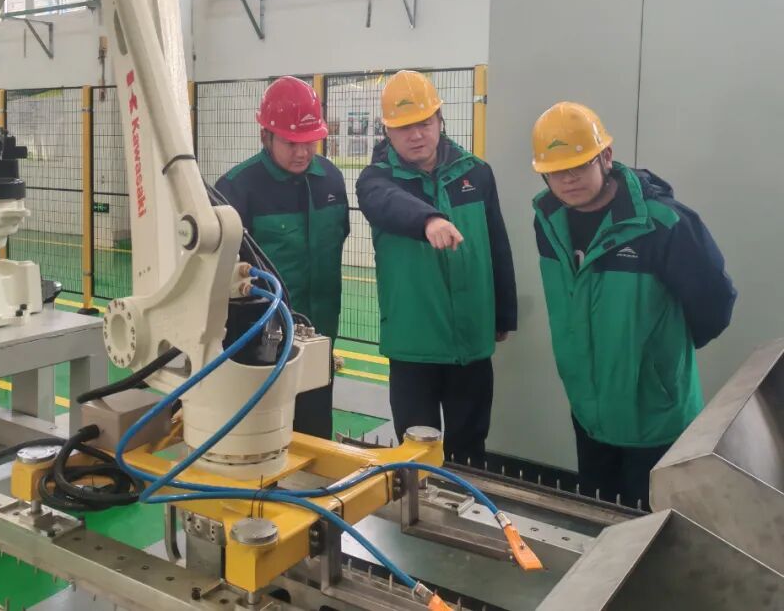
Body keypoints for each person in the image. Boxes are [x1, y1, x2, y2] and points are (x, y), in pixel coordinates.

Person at [531, 101, 737, 508]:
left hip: (653, 414)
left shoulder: (663, 224)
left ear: (605, 157)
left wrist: (657, 363)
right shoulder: (548, 218)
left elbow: (716, 305)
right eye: (555, 170)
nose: (568, 179)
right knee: (597, 515)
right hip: (588, 406)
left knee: (650, 525)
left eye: (579, 165)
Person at [356, 70, 517, 462]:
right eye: (404, 127)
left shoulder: (476, 173)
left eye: (424, 123)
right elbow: (386, 203)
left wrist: (503, 315)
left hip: (471, 341)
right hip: (414, 345)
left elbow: (497, 244)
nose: (416, 135)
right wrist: (429, 220)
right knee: (415, 453)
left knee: (470, 446)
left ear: (440, 120)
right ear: (387, 132)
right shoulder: (376, 180)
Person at [215, 76, 349, 439]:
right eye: (291, 142)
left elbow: (339, 237)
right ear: (266, 135)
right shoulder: (236, 189)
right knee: (259, 439)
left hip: (319, 338)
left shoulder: (331, 180)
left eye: (310, 141)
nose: (302, 152)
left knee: (315, 437)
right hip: (257, 346)